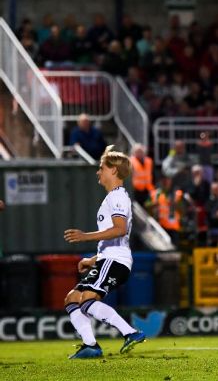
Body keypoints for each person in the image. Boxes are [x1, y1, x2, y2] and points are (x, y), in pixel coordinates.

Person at [62, 145, 145, 359]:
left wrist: (84, 236)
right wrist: (94, 259)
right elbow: (118, 238)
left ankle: (130, 332)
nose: (98, 172)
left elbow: (120, 229)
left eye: (102, 167)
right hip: (109, 259)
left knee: (87, 299)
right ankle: (90, 345)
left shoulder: (117, 197)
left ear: (114, 171)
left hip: (116, 261)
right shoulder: (112, 198)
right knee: (73, 299)